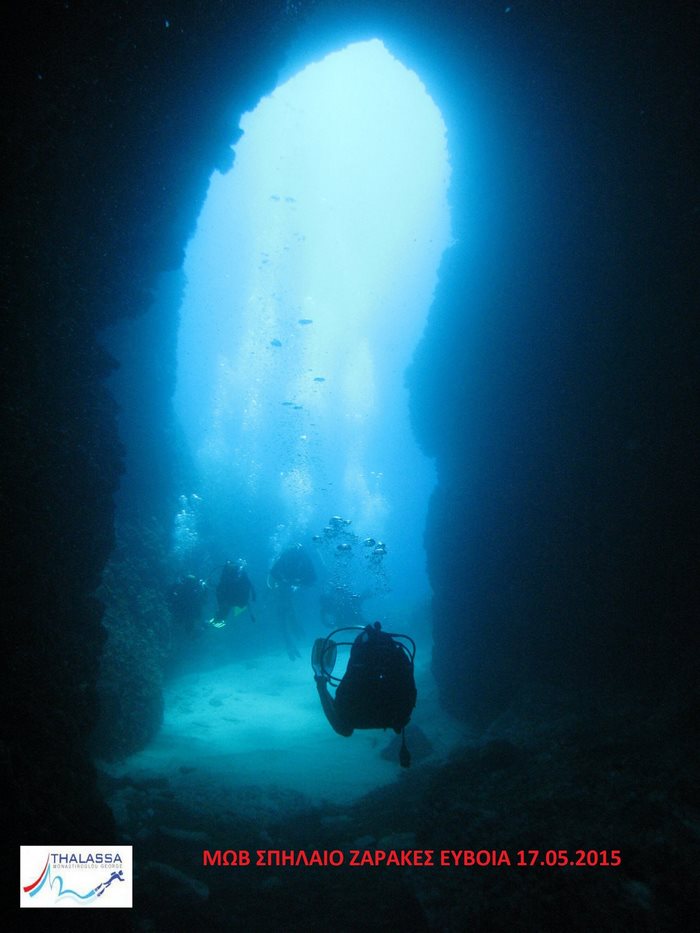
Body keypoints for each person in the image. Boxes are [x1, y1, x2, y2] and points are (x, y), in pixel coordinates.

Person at [312, 621, 417, 767]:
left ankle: (320, 684)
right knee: (345, 726)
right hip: (393, 716)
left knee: (344, 729)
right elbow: (410, 691)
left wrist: (322, 684)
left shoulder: (359, 665)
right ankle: (321, 684)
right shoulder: (395, 656)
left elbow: (343, 699)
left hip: (362, 716)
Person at [268, 544, 316, 660]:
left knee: (284, 613)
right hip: (282, 586)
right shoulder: (300, 558)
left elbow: (312, 578)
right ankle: (292, 640)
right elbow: (312, 578)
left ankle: (292, 639)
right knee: (285, 611)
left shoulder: (290, 557)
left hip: (285, 586)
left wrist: (295, 582)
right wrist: (294, 582)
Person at [209, 558, 256, 628]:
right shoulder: (241, 573)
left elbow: (220, 588)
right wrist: (253, 597)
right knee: (227, 608)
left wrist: (220, 601)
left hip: (229, 599)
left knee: (225, 608)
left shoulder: (226, 574)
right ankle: (220, 621)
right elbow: (250, 585)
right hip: (239, 600)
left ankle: (218, 620)